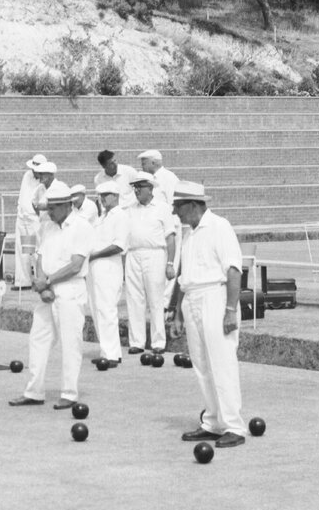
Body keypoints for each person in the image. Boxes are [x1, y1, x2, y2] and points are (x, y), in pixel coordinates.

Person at [169, 182, 245, 447]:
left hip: (216, 296)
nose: (175, 212)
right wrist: (177, 313)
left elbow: (234, 270)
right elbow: (183, 277)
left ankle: (234, 426)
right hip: (192, 298)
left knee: (221, 362)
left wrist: (230, 310)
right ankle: (213, 422)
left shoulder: (219, 227)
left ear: (192, 205)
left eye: (178, 207)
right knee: (202, 365)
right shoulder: (187, 233)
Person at [9, 180, 93, 409]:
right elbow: (40, 256)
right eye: (49, 208)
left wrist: (48, 281)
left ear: (67, 205)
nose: (50, 212)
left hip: (70, 290)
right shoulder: (47, 226)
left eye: (54, 208)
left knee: (70, 342)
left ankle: (69, 393)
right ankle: (34, 392)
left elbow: (76, 265)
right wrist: (44, 286)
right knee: (38, 339)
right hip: (49, 290)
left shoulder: (81, 226)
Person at [123, 170, 177, 355]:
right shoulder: (129, 209)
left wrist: (170, 263)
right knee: (134, 299)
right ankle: (137, 342)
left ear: (150, 188)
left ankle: (158, 342)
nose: (136, 191)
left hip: (155, 255)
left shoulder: (163, 208)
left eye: (140, 187)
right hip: (133, 254)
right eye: (135, 187)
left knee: (155, 299)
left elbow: (170, 238)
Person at [86, 181, 128, 364]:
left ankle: (112, 353)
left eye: (106, 195)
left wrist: (96, 255)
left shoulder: (121, 216)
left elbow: (119, 245)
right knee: (97, 309)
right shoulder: (102, 217)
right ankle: (106, 351)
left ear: (116, 196)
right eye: (101, 196)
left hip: (109, 265)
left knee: (107, 309)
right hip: (95, 266)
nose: (103, 199)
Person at [14, 154, 47, 288]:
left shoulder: (45, 182)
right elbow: (23, 195)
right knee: (25, 249)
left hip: (36, 220)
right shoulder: (27, 175)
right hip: (23, 218)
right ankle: (23, 281)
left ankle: (41, 279)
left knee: (39, 250)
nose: (34, 171)